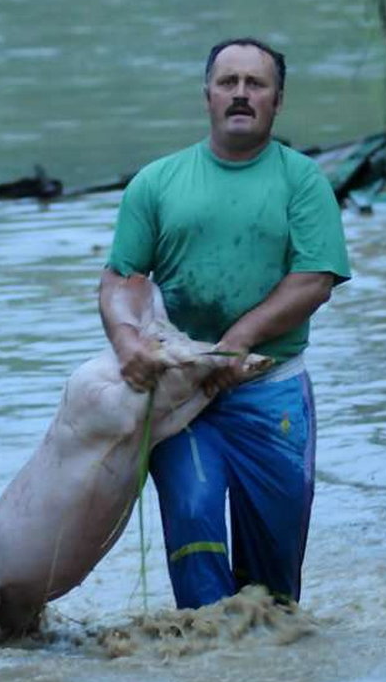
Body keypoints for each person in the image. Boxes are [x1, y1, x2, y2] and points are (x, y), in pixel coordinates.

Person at [99, 38, 351, 610]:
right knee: (193, 513)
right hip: (182, 391)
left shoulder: (303, 181)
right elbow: (121, 278)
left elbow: (315, 279)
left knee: (275, 579)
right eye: (228, 82)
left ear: (278, 101)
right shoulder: (157, 183)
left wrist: (238, 341)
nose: (241, 94)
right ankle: (209, 662)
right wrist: (126, 339)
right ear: (207, 95)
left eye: (255, 84)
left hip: (271, 387)